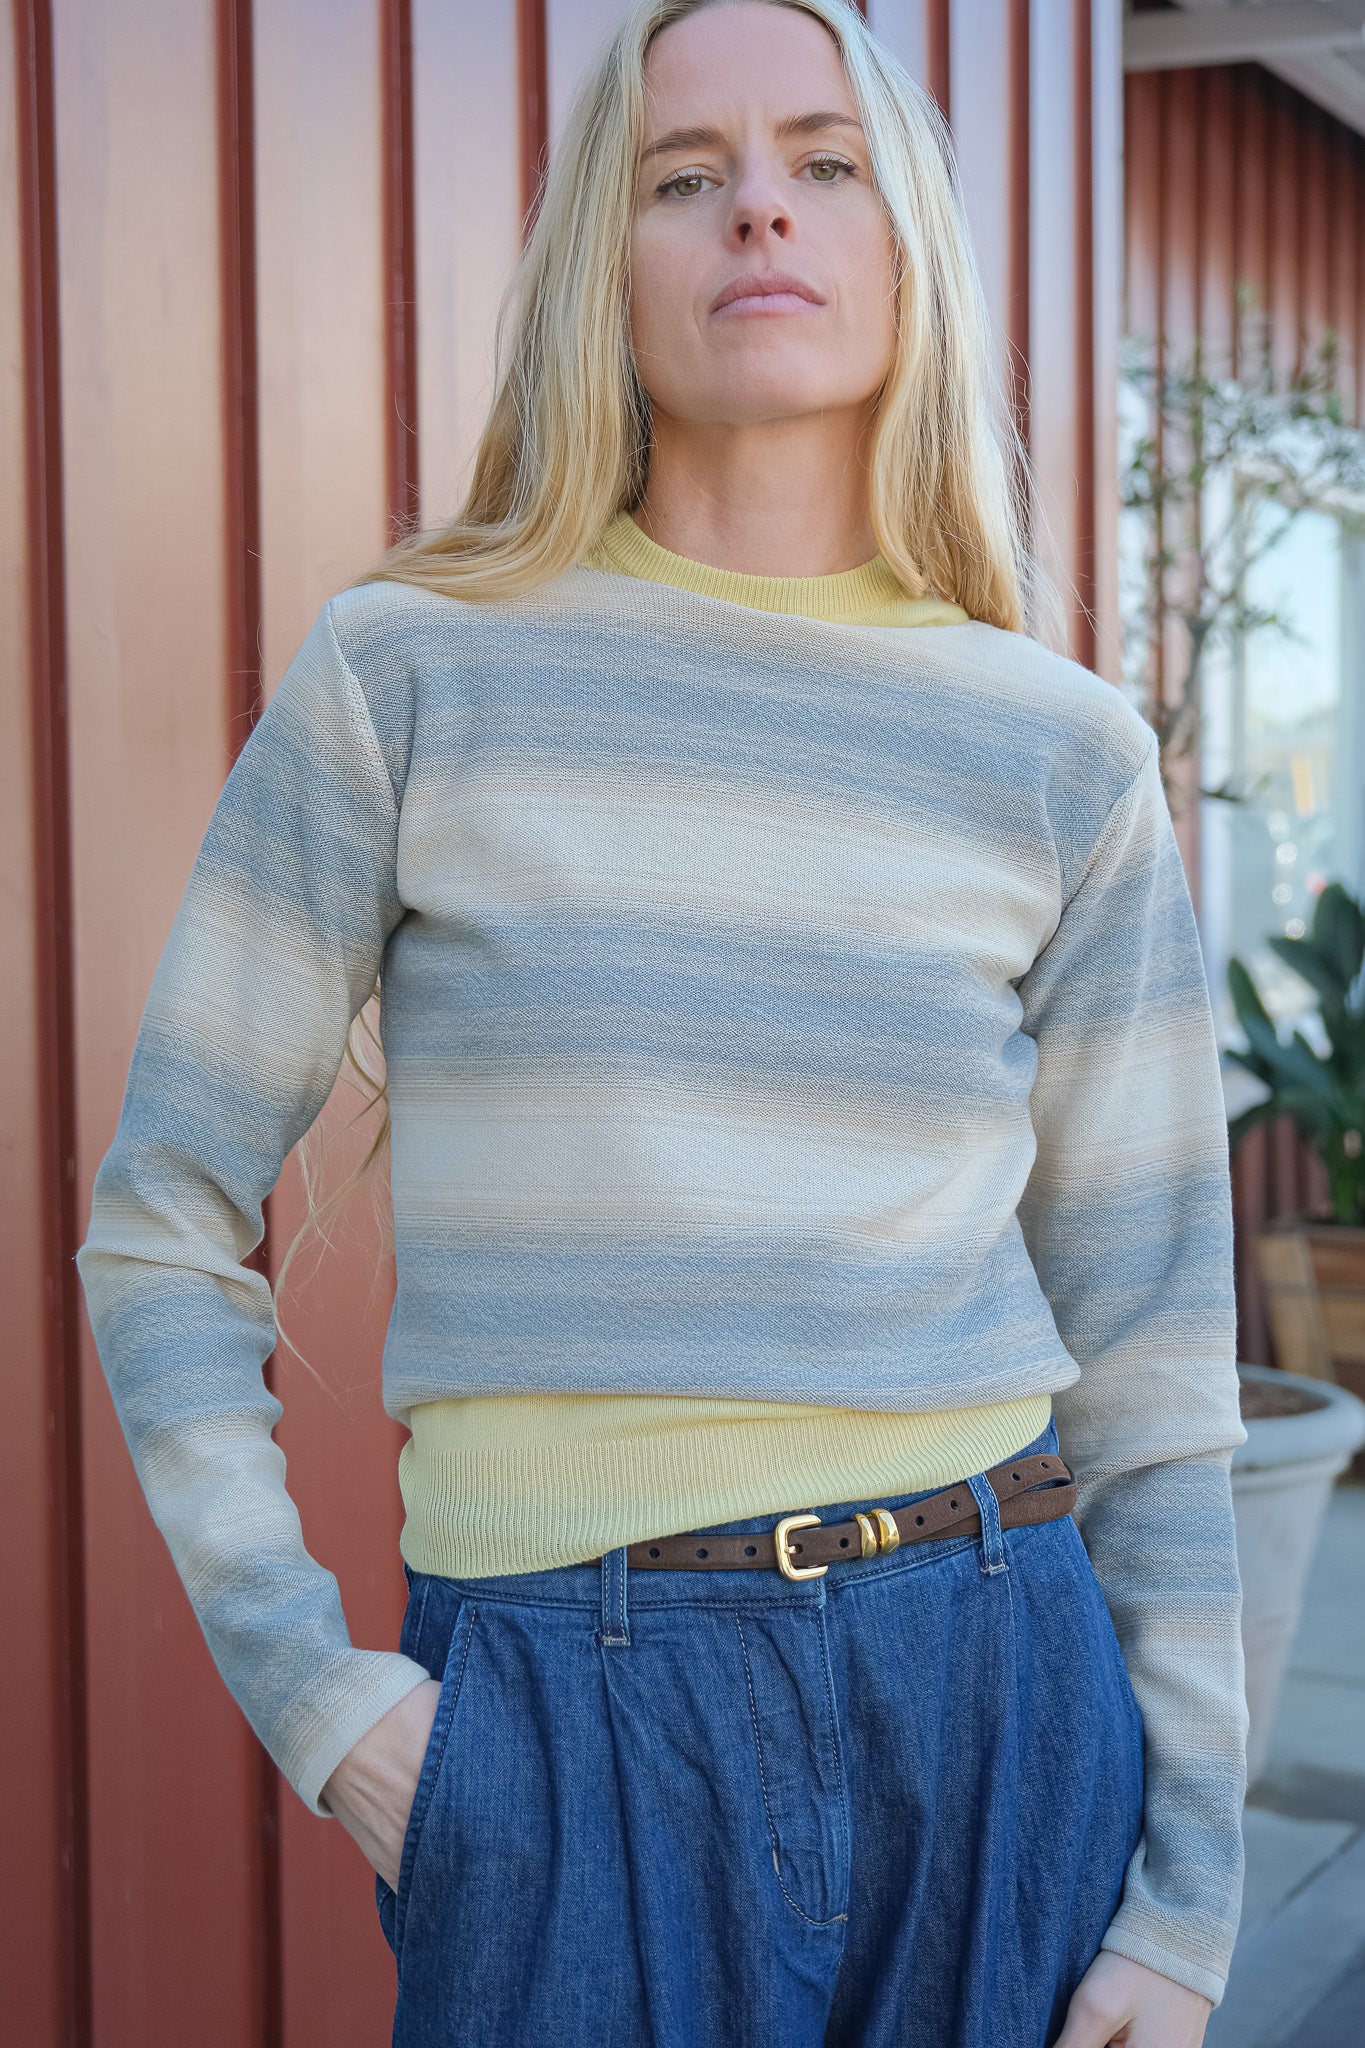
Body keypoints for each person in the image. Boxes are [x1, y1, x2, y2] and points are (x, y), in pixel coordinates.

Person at [75, 2, 1249, 2043]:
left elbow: (1150, 1344)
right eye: (680, 178)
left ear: (907, 247)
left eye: (818, 162)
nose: (755, 215)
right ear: (595, 270)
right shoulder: (408, 678)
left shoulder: (1056, 753)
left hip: (997, 1682)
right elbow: (159, 1215)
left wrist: (1188, 1894)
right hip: (563, 1710)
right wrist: (320, 1695)